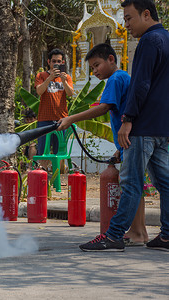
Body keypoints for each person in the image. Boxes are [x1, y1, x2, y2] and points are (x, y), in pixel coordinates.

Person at [79, 0, 169, 252]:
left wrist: (127, 120)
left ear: (147, 14)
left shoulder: (149, 42)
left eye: (129, 18)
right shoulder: (167, 39)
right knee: (166, 183)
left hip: (143, 127)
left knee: (130, 183)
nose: (126, 25)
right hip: (162, 127)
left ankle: (114, 236)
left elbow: (141, 85)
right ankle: (167, 235)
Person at [58, 43, 148, 246]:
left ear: (111, 59)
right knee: (136, 187)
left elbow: (105, 107)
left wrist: (71, 118)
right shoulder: (124, 76)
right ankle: (138, 232)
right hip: (129, 141)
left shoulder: (115, 79)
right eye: (92, 68)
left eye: (97, 65)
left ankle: (135, 232)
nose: (95, 71)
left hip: (131, 139)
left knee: (130, 187)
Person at [35, 49, 74, 161]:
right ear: (49, 62)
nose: (56, 63)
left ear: (62, 62)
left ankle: (58, 177)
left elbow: (70, 93)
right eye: (53, 61)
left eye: (59, 61)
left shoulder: (66, 77)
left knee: (60, 154)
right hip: (44, 119)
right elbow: (39, 91)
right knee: (43, 152)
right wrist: (49, 78)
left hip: (62, 120)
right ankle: (42, 175)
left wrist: (64, 80)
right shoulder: (41, 75)